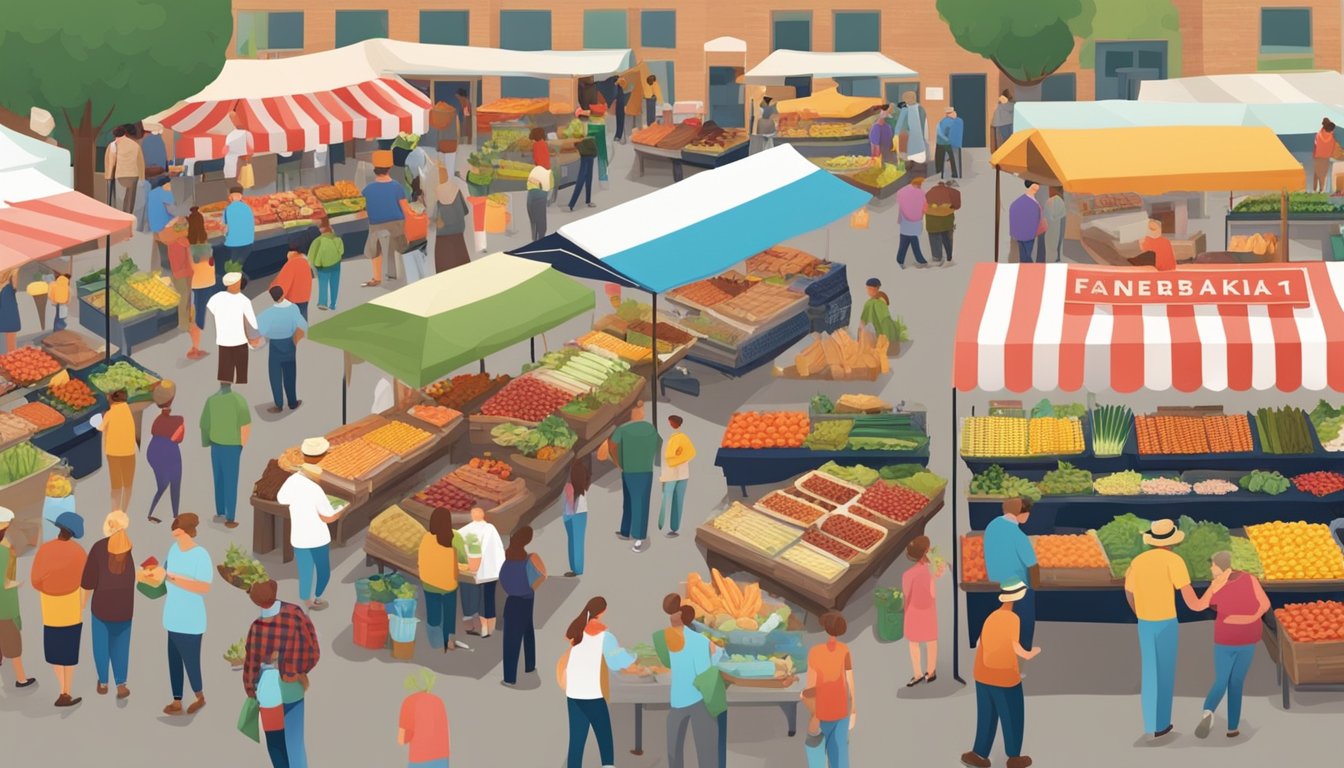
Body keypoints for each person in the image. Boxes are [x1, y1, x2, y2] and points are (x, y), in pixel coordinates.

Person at [1124, 518, 1201, 740]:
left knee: (1149, 671)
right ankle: (1162, 724)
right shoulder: (1174, 561)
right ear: (1172, 541)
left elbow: (1128, 591)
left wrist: (1139, 612)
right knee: (1165, 673)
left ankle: (1150, 725)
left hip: (1145, 622)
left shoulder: (1138, 561)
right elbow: (1191, 600)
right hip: (1167, 621)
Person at [1188, 550, 1269, 740]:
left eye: (1213, 565)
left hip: (1225, 639)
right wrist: (1248, 618)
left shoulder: (1216, 586)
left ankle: (1208, 712)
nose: (1210, 568)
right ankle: (1232, 728)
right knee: (1236, 683)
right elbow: (1265, 605)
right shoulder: (1249, 578)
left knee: (1221, 680)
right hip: (1249, 638)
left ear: (1220, 566)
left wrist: (1184, 587)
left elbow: (1197, 606)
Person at [961, 581, 1040, 768]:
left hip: (982, 674)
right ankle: (1013, 758)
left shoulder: (992, 616)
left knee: (986, 714)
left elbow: (980, 643)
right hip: (1004, 677)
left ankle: (978, 754)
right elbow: (1014, 646)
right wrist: (1030, 653)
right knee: (1013, 714)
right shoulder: (1013, 619)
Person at [243, 579, 319, 768]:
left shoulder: (256, 628)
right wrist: (299, 670)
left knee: (276, 743)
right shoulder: (295, 614)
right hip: (292, 687)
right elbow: (313, 650)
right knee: (295, 743)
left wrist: (251, 690)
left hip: (268, 693)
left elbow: (251, 665)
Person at [557, 596, 635, 768]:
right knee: (604, 736)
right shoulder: (604, 636)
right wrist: (633, 657)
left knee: (576, 741)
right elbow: (617, 661)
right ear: (602, 613)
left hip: (573, 694)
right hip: (592, 694)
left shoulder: (577, 630)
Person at [656, 593, 723, 768]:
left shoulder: (663, 637)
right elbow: (704, 673)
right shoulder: (700, 641)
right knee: (706, 753)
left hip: (677, 701)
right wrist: (716, 654)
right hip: (698, 700)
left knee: (674, 753)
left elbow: (667, 661)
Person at [279, 438, 341, 611]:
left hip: (298, 536)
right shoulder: (316, 490)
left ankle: (306, 599)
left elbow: (281, 498)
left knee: (305, 570)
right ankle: (318, 597)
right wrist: (341, 510)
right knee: (323, 571)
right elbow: (328, 517)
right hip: (318, 537)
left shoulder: (293, 480)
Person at [31, 510, 86, 707]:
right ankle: (66, 691)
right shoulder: (79, 552)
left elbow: (35, 581)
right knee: (69, 653)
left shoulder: (45, 550)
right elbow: (85, 581)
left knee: (54, 653)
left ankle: (62, 689)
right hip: (71, 609)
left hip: (51, 609)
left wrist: (48, 587)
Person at [161, 513, 212, 716]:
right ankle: (176, 699)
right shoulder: (173, 550)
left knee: (191, 660)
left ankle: (199, 695)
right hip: (172, 616)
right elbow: (165, 571)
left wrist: (174, 579)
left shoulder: (201, 555)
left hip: (191, 619)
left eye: (179, 534)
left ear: (188, 533)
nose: (176, 538)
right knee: (173, 660)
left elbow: (203, 587)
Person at [81, 510, 134, 700]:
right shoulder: (129, 550)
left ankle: (103, 682)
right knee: (121, 646)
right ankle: (121, 684)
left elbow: (88, 582)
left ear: (110, 526)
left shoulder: (98, 548)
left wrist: (83, 602)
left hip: (102, 608)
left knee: (101, 646)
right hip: (125, 609)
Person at [599, 401, 661, 553]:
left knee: (628, 501)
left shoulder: (623, 429)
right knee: (641, 503)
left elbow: (611, 445)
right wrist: (652, 458)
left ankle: (626, 531)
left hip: (627, 470)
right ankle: (637, 535)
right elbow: (659, 443)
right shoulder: (650, 429)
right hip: (645, 471)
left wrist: (617, 462)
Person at [983, 498, 1040, 647]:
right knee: (1022, 621)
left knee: (999, 620)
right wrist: (1035, 585)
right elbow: (1032, 564)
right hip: (1017, 584)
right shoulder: (1018, 535)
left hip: (994, 579)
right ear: (1021, 514)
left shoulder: (993, 524)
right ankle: (1023, 647)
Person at [806, 611, 855, 768]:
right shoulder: (844, 650)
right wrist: (853, 709)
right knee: (840, 759)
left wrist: (806, 699)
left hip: (821, 712)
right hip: (841, 712)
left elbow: (811, 688)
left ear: (825, 628)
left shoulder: (815, 652)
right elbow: (850, 682)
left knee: (816, 758)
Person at [499, 526, 546, 687]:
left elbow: (503, 579)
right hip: (527, 599)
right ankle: (530, 665)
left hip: (512, 600)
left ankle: (509, 677)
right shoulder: (531, 558)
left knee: (511, 639)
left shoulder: (507, 557)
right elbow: (542, 575)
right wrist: (530, 588)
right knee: (527, 630)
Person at [201, 382, 251, 529]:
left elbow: (204, 424)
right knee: (231, 481)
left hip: (216, 445)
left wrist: (206, 442)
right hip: (232, 446)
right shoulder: (238, 400)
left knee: (218, 478)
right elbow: (245, 424)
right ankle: (230, 517)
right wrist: (242, 444)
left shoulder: (211, 400)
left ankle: (220, 511)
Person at [419, 508, 468, 653]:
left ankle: (435, 642)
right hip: (448, 584)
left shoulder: (426, 537)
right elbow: (463, 561)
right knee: (449, 613)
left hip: (428, 582)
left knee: (433, 613)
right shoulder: (456, 537)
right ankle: (448, 642)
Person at [256, 285, 308, 414]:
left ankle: (278, 404)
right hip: (289, 345)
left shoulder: (268, 313)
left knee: (275, 376)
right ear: (283, 294)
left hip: (275, 346)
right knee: (290, 374)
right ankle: (292, 402)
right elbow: (303, 325)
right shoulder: (293, 309)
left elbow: (258, 330)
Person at [0, 507, 35, 688]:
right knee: (13, 642)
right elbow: (5, 583)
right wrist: (17, 584)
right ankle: (21, 678)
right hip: (4, 606)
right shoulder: (5, 552)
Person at [902, 536, 944, 686]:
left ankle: (917, 673)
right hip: (928, 609)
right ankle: (931, 671)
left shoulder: (907, 575)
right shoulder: (931, 570)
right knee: (931, 640)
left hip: (912, 610)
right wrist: (934, 558)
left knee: (914, 642)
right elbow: (938, 575)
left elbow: (907, 593)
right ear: (926, 551)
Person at [458, 506, 505, 639]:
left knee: (468, 596)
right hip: (489, 571)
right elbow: (498, 549)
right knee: (487, 599)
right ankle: (487, 629)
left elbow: (457, 543)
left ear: (472, 516)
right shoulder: (490, 529)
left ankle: (470, 625)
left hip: (468, 570)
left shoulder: (465, 530)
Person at [207, 271, 260, 384]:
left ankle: (225, 385)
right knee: (241, 368)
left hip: (223, 339)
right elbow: (251, 323)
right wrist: (253, 338)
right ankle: (241, 382)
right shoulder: (244, 301)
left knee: (225, 368)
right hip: (240, 340)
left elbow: (211, 310)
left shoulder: (216, 298)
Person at [362, 157, 408, 287]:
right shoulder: (397, 187)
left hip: (376, 225)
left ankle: (377, 278)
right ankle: (399, 275)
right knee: (399, 246)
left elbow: (364, 207)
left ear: (375, 170)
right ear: (389, 169)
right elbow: (404, 208)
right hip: (396, 223)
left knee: (375, 249)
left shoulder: (367, 189)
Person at [146, 380, 184, 523]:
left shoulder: (157, 421)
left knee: (162, 483)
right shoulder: (179, 420)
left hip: (154, 449)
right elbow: (178, 438)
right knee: (175, 481)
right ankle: (174, 514)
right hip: (170, 449)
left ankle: (154, 511)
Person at [399, 669, 451, 768]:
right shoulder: (438, 701)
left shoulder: (409, 701)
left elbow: (403, 738)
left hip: (420, 758)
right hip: (442, 758)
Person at [96, 389, 137, 512]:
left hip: (114, 453)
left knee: (116, 485)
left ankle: (115, 511)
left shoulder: (110, 413)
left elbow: (100, 427)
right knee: (128, 484)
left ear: (111, 399)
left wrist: (100, 417)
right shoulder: (127, 409)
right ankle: (124, 511)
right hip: (129, 451)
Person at [658, 414, 696, 536]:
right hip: (683, 474)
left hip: (671, 475)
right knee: (678, 500)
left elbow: (667, 457)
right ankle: (674, 527)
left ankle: (661, 524)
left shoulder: (671, 439)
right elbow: (691, 453)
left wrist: (674, 460)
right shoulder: (683, 438)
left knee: (666, 498)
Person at [183, 208, 212, 358]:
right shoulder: (206, 244)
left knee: (193, 316)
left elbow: (190, 267)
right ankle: (196, 346)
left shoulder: (189, 246)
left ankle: (195, 347)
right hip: (208, 282)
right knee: (200, 315)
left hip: (195, 284)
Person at [434, 178, 472, 273]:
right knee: (461, 259)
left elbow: (433, 217)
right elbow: (465, 211)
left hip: (442, 235)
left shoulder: (436, 191)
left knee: (444, 264)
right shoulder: (455, 188)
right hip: (458, 231)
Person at [272, 236, 315, 319]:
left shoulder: (291, 264)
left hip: (292, 298)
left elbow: (283, 282)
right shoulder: (305, 262)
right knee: (302, 319)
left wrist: (279, 296)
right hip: (304, 297)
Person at [105, 125, 144, 214]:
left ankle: (121, 220)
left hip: (120, 175)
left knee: (120, 201)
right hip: (134, 175)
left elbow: (112, 162)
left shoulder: (113, 145)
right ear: (125, 133)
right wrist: (142, 177)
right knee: (130, 202)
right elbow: (140, 162)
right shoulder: (135, 145)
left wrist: (109, 176)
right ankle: (129, 218)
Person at [563, 457, 591, 577]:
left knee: (572, 542)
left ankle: (575, 569)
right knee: (578, 542)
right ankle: (578, 568)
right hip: (582, 513)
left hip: (570, 515)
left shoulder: (569, 486)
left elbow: (569, 503)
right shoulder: (583, 486)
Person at [308, 217, 344, 311]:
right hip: (336, 265)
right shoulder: (337, 239)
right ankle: (333, 304)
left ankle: (323, 303)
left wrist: (315, 266)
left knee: (323, 284)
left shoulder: (318, 241)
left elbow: (312, 257)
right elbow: (341, 251)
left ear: (321, 229)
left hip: (323, 268)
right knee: (334, 284)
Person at [221, 185, 256, 281]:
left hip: (233, 244)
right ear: (241, 196)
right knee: (237, 263)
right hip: (249, 243)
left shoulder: (227, 209)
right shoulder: (248, 208)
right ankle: (239, 278)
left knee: (233, 265)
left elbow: (224, 229)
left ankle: (237, 280)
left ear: (230, 197)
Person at [146, 175, 181, 271]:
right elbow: (176, 211)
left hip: (154, 231)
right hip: (165, 231)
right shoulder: (166, 194)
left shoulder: (152, 193)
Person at [896, 176, 929, 268]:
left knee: (905, 239)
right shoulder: (920, 193)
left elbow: (900, 204)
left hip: (904, 221)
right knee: (912, 239)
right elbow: (925, 206)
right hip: (914, 221)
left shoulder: (903, 191)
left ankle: (900, 259)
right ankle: (919, 259)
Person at [925, 179, 961, 265]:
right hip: (946, 220)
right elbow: (957, 205)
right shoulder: (952, 192)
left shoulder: (931, 190)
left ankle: (936, 257)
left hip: (931, 219)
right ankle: (949, 257)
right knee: (947, 237)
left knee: (934, 236)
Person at [859, 278, 902, 347]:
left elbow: (885, 320)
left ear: (876, 288)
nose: (868, 291)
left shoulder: (875, 303)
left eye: (870, 289)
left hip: (877, 337)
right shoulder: (874, 301)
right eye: (867, 289)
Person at [1009, 181, 1044, 263]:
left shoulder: (1018, 202)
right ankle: (1028, 271)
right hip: (1029, 233)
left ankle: (1025, 271)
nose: (1037, 187)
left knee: (1024, 255)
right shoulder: (1029, 202)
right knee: (1027, 255)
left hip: (1024, 233)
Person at [569, 120, 598, 212]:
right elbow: (593, 147)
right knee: (582, 180)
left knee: (587, 179)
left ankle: (587, 201)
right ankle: (572, 203)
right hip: (587, 158)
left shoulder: (578, 138)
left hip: (586, 157)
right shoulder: (586, 137)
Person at [425, 101, 459, 179]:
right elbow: (457, 130)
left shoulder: (434, 113)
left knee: (437, 165)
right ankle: (449, 179)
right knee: (450, 167)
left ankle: (439, 179)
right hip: (451, 143)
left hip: (438, 143)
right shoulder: (452, 113)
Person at [894, 93, 927, 166]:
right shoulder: (921, 109)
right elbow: (925, 126)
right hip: (920, 145)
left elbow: (899, 126)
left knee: (905, 161)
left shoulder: (905, 110)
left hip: (907, 143)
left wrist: (896, 135)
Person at [526, 164, 553, 242]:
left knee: (534, 223)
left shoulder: (535, 170)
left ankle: (535, 242)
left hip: (531, 195)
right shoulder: (549, 175)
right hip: (539, 195)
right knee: (541, 227)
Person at [1314, 117, 1338, 192]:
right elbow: (1333, 147)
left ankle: (1314, 189)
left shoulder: (1318, 135)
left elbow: (1316, 144)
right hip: (1326, 157)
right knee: (1323, 175)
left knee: (1317, 173)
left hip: (1317, 156)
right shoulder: (1332, 137)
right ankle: (1321, 190)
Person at [936, 108, 961, 179]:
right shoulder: (952, 122)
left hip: (940, 142)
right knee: (953, 157)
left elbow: (939, 132)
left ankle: (939, 171)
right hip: (948, 143)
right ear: (950, 114)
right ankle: (955, 173)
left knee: (939, 157)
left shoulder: (942, 121)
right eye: (954, 112)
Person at [1044, 188, 1067, 263]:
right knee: (1057, 241)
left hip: (1052, 227)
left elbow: (1051, 215)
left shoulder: (1053, 200)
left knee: (1052, 242)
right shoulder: (1059, 201)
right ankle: (1057, 257)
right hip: (1056, 225)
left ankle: (1055, 258)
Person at [0, 269, 20, 354]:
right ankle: (10, 355)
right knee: (11, 328)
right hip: (7, 294)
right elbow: (15, 285)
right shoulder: (14, 268)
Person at [612, 77, 631, 143]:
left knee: (620, 120)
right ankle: (618, 136)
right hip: (620, 104)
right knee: (620, 121)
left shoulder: (620, 88)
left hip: (621, 104)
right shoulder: (618, 88)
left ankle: (619, 136)